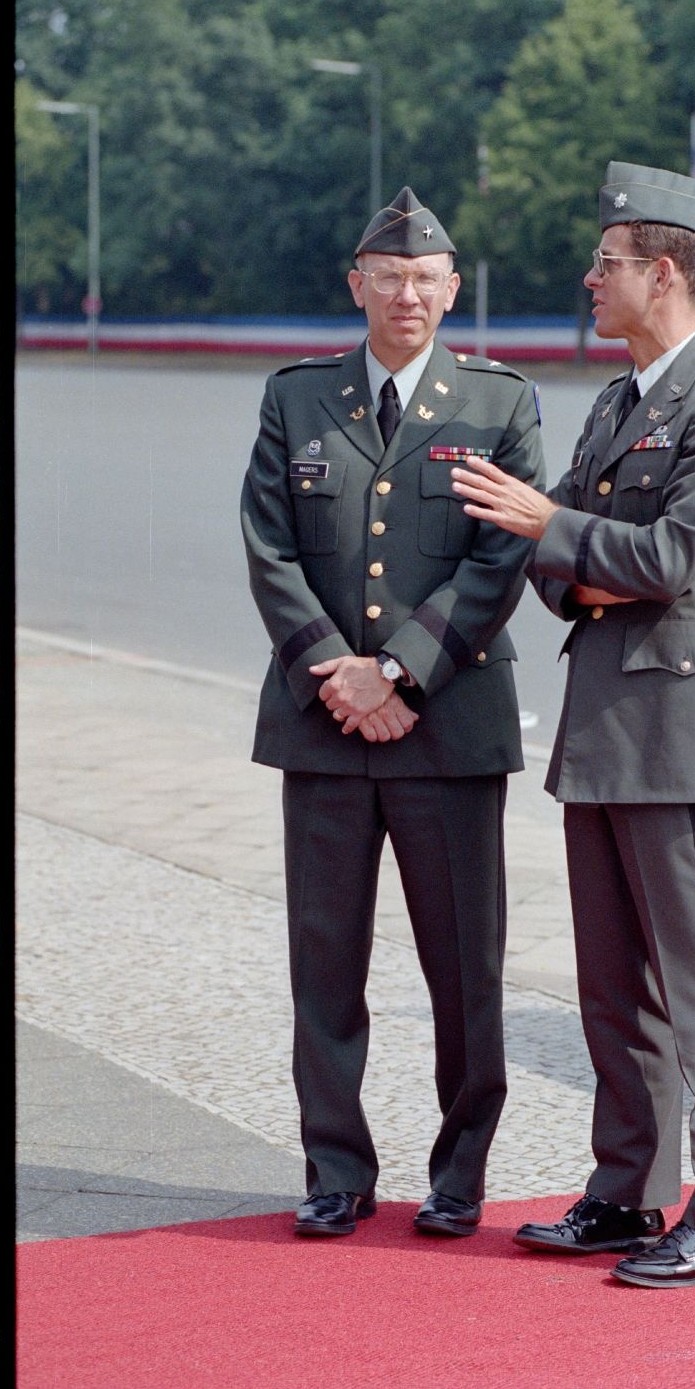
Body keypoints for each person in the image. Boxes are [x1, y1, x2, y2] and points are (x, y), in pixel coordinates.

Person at [450, 161, 695, 1288]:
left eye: (608, 262)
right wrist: (576, 551)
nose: (590, 278)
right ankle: (628, 1195)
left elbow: (675, 559)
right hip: (603, 724)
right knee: (614, 990)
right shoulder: (616, 402)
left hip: (681, 726)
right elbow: (574, 569)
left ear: (669, 273)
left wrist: (559, 530)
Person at [241, 186, 544, 1240]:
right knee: (324, 965)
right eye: (389, 275)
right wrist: (337, 669)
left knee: (465, 966)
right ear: (356, 283)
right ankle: (335, 1169)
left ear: (452, 291)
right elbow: (269, 548)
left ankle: (460, 1172)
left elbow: (500, 560)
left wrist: (401, 673)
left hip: (448, 726)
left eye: (427, 278)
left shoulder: (499, 404)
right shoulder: (297, 399)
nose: (407, 293)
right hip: (323, 726)